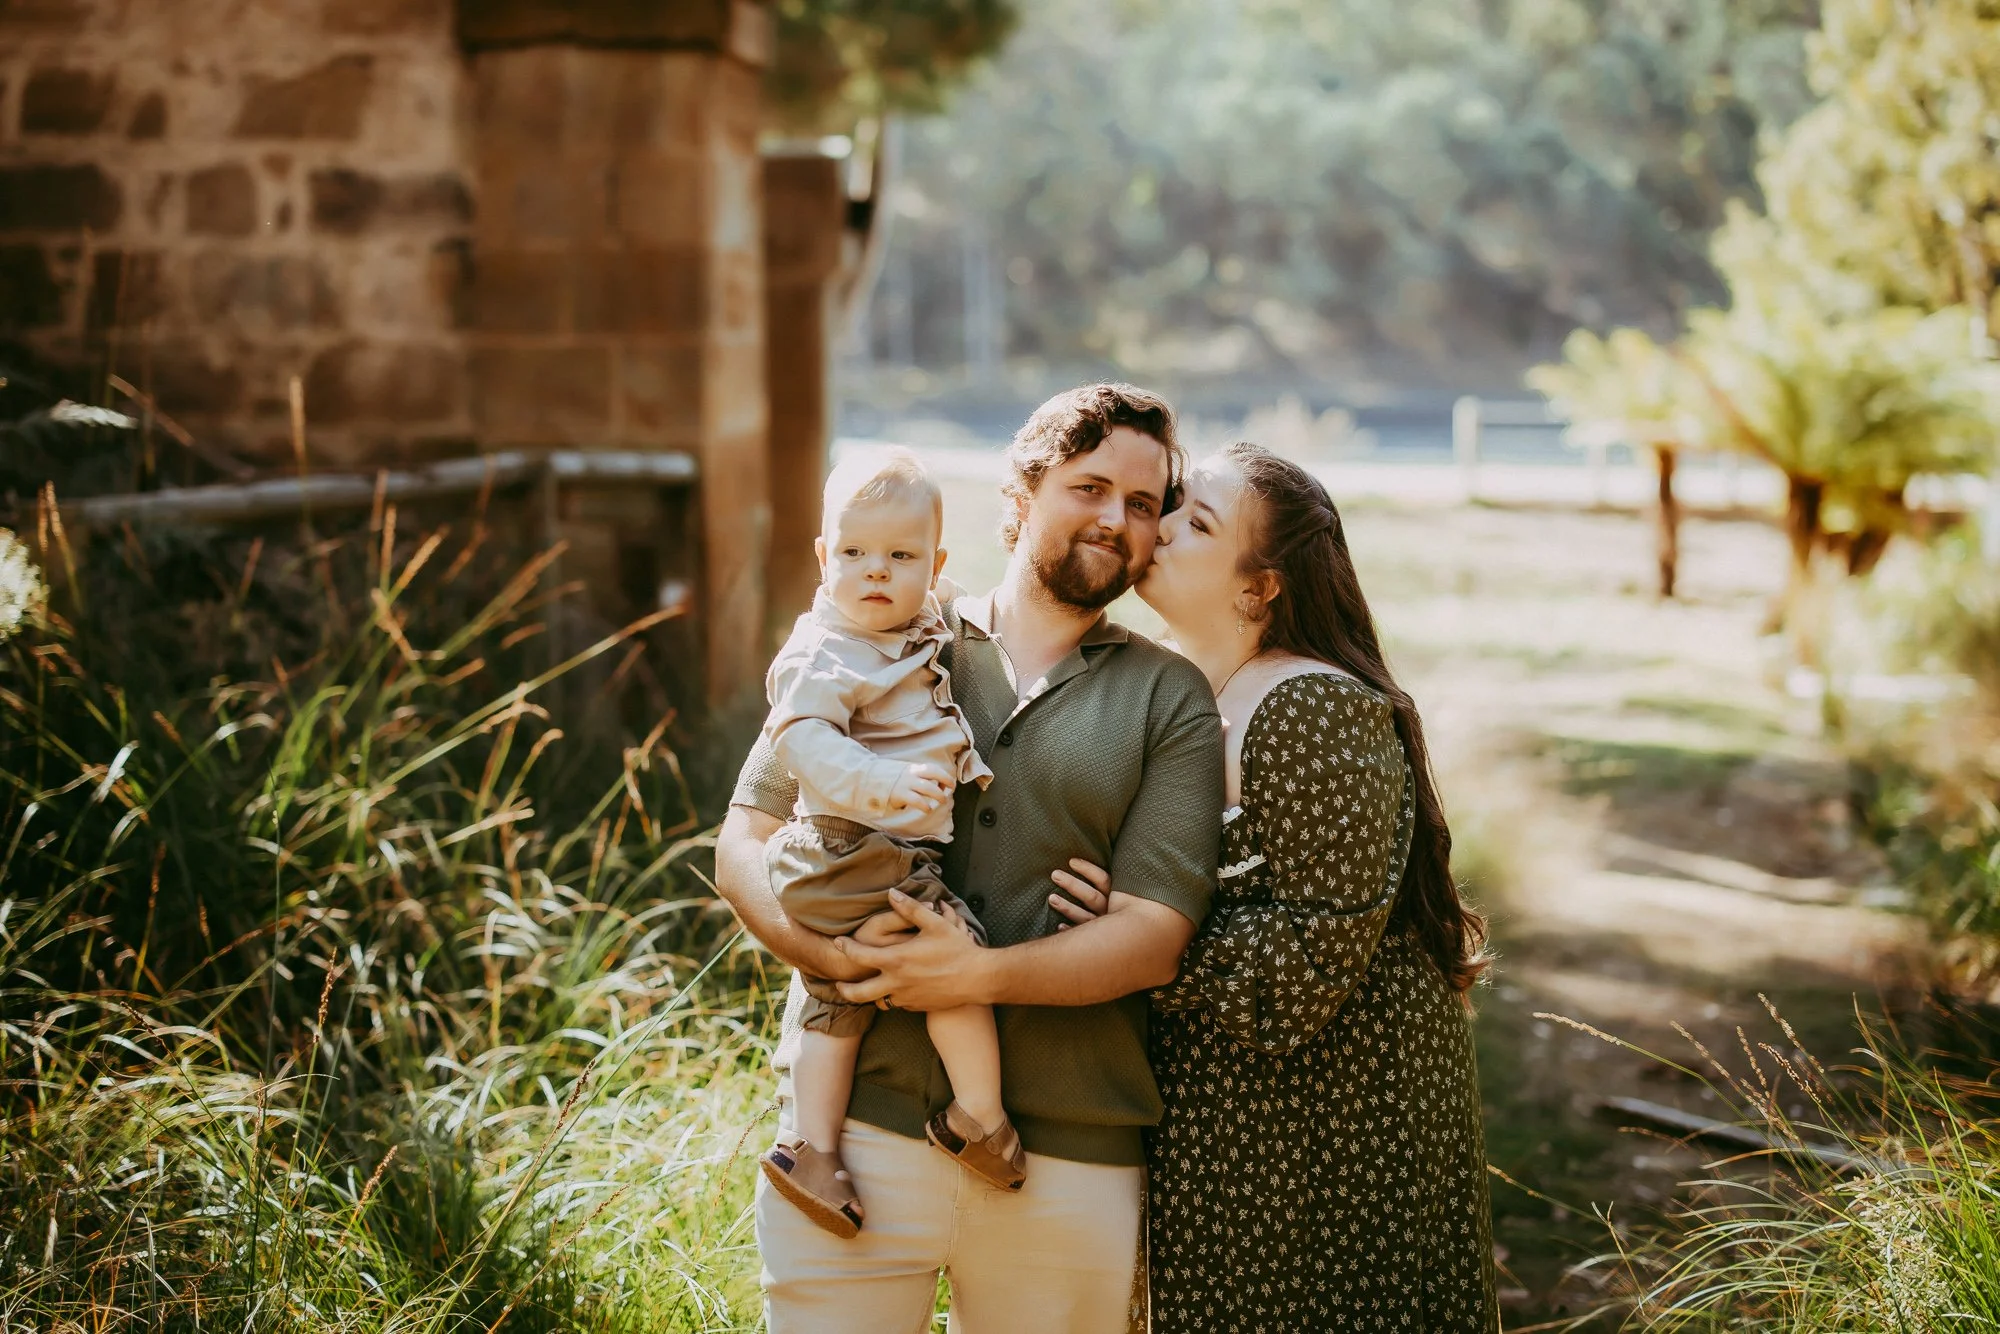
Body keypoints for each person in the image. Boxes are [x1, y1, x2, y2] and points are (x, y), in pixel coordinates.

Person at [713, 384, 1225, 1334]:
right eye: (1090, 486)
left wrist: (976, 972)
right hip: (855, 1135)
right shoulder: (881, 623)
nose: (1116, 518)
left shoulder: (1170, 698)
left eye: (1144, 504)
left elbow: (1155, 940)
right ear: (1022, 493)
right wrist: (834, 961)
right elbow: (742, 840)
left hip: (1067, 1155)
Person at [1051, 441, 1499, 1331]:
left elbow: (1306, 962)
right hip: (1235, 1118)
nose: (1162, 528)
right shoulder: (1182, 693)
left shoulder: (1307, 707)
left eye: (1197, 521)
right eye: (1171, 507)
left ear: (1260, 587)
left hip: (1335, 1128)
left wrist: (1134, 933)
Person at [755, 449, 1017, 1240]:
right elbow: (800, 735)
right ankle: (981, 1117)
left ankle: (813, 1147)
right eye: (854, 554)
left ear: (934, 566)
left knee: (839, 1001)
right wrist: (880, 783)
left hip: (860, 847)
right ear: (821, 558)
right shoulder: (823, 650)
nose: (876, 573)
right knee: (953, 967)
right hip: (851, 840)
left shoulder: (913, 619)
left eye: (901, 557)